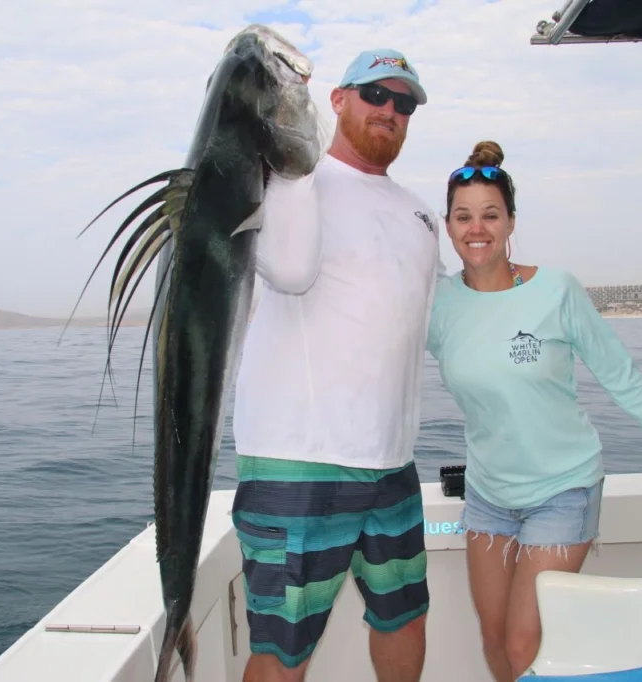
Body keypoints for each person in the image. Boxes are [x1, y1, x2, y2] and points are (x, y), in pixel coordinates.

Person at [426, 140, 642, 682]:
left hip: (562, 489)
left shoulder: (556, 290)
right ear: (448, 227)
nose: (477, 228)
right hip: (488, 495)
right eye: (464, 216)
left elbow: (622, 377)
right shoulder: (439, 306)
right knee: (494, 637)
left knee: (526, 641)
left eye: (490, 215)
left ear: (511, 221)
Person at [230, 48, 444, 682]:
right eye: (376, 93)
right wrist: (287, 159)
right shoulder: (289, 179)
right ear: (338, 100)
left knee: (405, 618)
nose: (390, 110)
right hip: (300, 460)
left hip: (391, 464)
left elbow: (431, 324)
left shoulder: (421, 213)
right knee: (282, 647)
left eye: (404, 103)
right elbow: (290, 270)